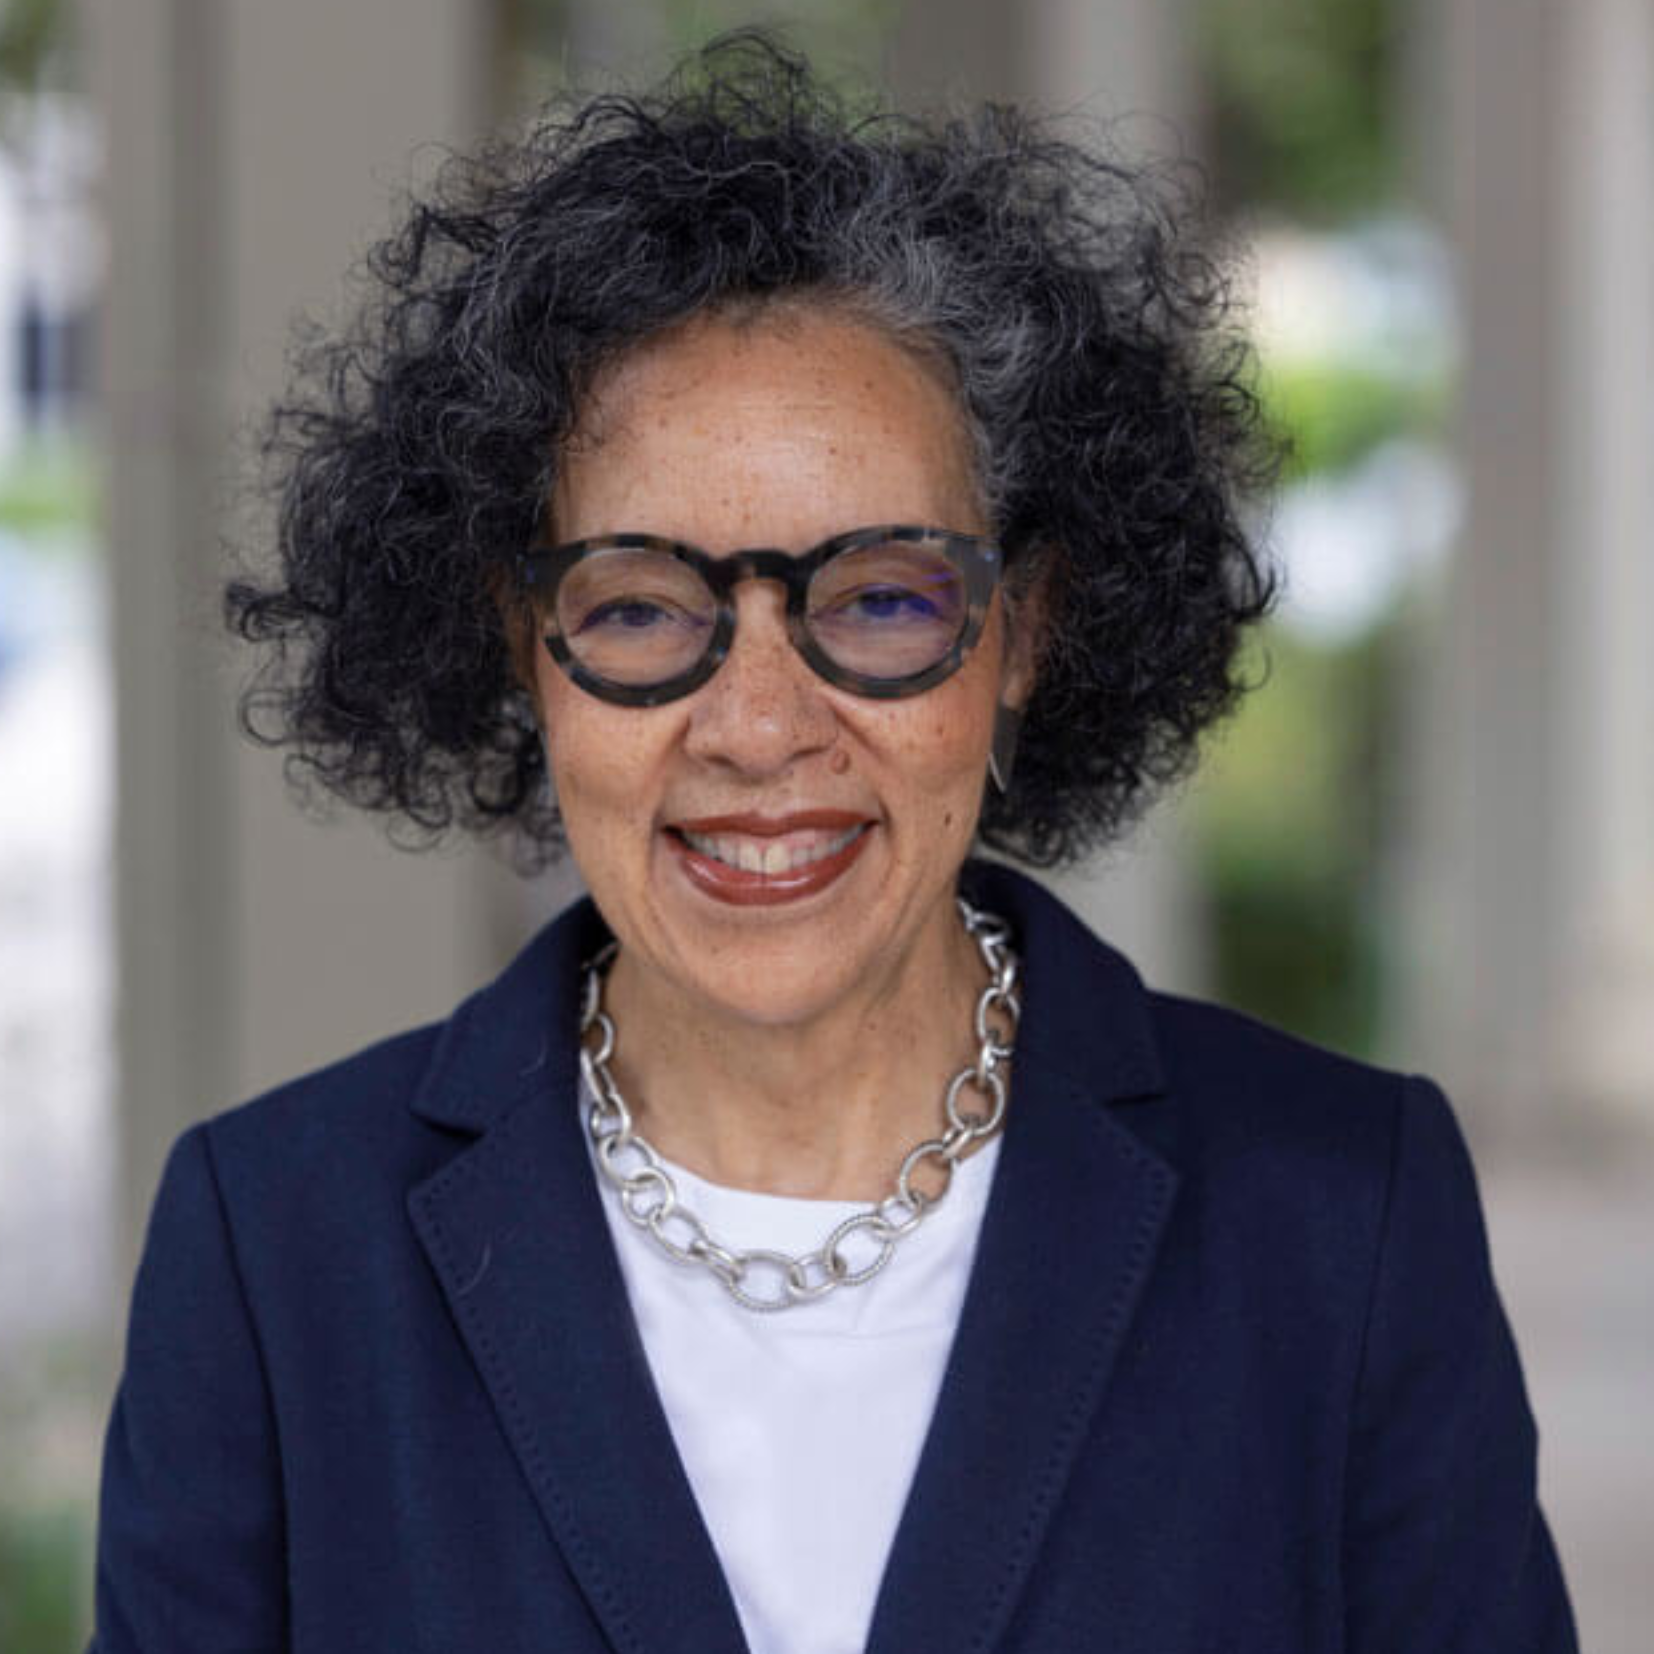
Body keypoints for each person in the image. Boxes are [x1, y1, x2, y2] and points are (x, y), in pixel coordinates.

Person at [88, 33, 1577, 1654]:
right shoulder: (277, 1240)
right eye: (644, 606)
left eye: (878, 596)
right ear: (521, 647)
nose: (756, 726)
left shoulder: (1342, 1215)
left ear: (1020, 635)